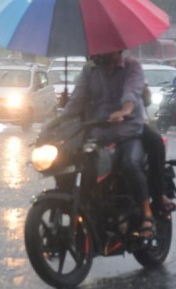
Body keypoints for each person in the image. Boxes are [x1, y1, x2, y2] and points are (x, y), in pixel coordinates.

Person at [60, 50, 157, 238]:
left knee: (130, 163)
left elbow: (131, 94)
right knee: (74, 163)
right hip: (98, 134)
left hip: (127, 132)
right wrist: (56, 123)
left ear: (118, 49)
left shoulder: (132, 67)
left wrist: (124, 111)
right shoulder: (88, 72)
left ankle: (147, 213)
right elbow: (76, 102)